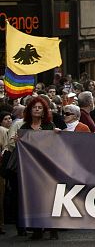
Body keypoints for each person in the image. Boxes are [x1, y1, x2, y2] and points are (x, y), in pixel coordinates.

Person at [8, 97, 58, 240]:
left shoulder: (49, 126)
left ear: (44, 111)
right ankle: (37, 230)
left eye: (40, 107)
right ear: (29, 110)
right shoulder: (24, 128)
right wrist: (18, 141)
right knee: (34, 198)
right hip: (30, 169)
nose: (37, 109)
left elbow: (55, 145)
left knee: (48, 198)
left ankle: (52, 228)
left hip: (46, 168)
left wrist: (56, 135)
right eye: (34, 107)